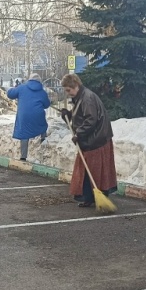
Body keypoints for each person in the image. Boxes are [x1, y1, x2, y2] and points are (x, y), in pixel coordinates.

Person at [60, 73, 117, 208]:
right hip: (91, 140)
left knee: (96, 171)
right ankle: (89, 197)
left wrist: (78, 133)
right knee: (87, 171)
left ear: (76, 86)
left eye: (68, 90)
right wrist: (68, 115)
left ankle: (97, 196)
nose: (68, 93)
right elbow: (81, 115)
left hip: (96, 141)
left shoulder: (87, 98)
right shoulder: (81, 97)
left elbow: (91, 119)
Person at [7, 73, 50, 162]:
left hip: (24, 116)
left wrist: (14, 88)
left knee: (24, 134)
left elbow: (10, 94)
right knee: (42, 125)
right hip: (38, 115)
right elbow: (47, 105)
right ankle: (43, 139)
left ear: (29, 80)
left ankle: (23, 157)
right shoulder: (42, 92)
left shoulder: (22, 88)